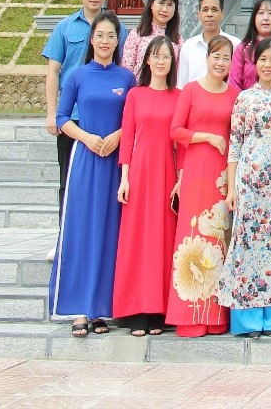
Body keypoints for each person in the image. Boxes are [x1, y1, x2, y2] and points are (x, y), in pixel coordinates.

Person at [49, 10, 135, 336]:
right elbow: (61, 118)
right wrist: (86, 137)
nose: (105, 41)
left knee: (109, 232)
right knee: (82, 229)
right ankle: (79, 309)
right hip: (86, 160)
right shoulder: (77, 76)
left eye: (111, 36)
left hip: (115, 164)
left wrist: (118, 136)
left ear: (118, 40)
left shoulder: (126, 78)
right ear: (92, 39)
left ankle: (101, 309)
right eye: (100, 35)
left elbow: (134, 118)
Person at [217, 38, 271, 337]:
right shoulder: (244, 99)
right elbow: (235, 143)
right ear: (255, 63)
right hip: (249, 179)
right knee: (247, 245)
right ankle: (248, 320)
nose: (267, 65)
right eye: (262, 59)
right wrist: (232, 187)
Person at [166, 35, 239, 336]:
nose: (220, 63)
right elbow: (175, 130)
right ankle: (189, 316)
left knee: (218, 239)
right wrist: (207, 137)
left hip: (222, 176)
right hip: (196, 171)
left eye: (226, 58)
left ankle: (215, 316)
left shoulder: (234, 94)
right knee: (193, 236)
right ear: (207, 58)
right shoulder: (191, 90)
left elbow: (237, 138)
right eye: (216, 56)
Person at [113, 36, 181, 336]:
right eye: (156, 55)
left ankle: (159, 310)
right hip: (140, 173)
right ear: (148, 61)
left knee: (163, 240)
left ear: (172, 61)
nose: (161, 60)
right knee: (137, 241)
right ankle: (136, 309)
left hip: (167, 173)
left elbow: (182, 142)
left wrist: (181, 179)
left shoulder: (179, 96)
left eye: (166, 56)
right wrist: (125, 178)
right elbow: (128, 137)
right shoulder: (135, 95)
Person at [43, 0, 109, 215]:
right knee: (69, 180)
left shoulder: (116, 29)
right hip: (71, 117)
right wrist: (52, 113)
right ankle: (65, 232)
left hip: (104, 117)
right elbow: (53, 71)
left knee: (101, 181)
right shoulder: (65, 27)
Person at [177, 0, 238, 86]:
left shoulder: (235, 45)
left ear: (222, 14)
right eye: (205, 10)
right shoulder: (188, 47)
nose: (209, 14)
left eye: (214, 10)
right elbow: (181, 84)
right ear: (199, 14)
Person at [121, 0, 181, 75]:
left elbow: (178, 73)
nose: (164, 9)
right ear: (152, 4)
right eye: (161, 3)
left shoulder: (178, 40)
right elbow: (126, 70)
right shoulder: (137, 34)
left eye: (170, 5)